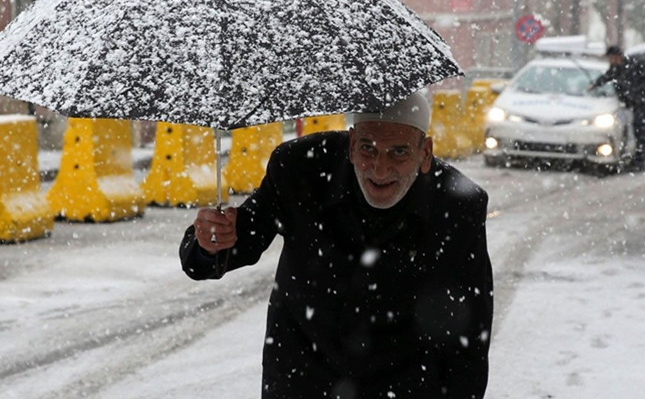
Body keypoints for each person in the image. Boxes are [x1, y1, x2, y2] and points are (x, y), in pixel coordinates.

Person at [179, 92, 494, 399]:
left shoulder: (457, 206)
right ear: (352, 144)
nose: (380, 169)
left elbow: (467, 339)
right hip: (302, 376)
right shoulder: (300, 169)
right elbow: (232, 245)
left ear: (425, 153)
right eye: (368, 148)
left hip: (402, 382)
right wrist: (209, 242)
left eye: (399, 152)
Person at [589, 45, 645, 172]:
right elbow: (606, 77)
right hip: (637, 105)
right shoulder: (616, 69)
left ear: (617, 56)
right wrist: (594, 85)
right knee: (640, 134)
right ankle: (640, 162)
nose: (611, 61)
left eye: (611, 58)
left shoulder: (636, 65)